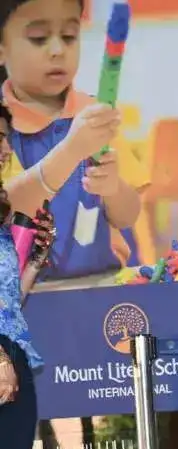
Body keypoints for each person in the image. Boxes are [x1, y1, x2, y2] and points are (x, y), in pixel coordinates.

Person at [0, 0, 148, 285]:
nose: (58, 50)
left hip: (104, 287)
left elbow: (129, 216)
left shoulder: (93, 113)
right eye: (39, 38)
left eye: (69, 36)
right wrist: (71, 151)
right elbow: (10, 210)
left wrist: (113, 187)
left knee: (146, 331)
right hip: (25, 301)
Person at [0, 100, 53, 449]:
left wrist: (34, 259)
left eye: (4, 137)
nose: (1, 146)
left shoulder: (4, 209)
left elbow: (9, 301)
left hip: (13, 355)